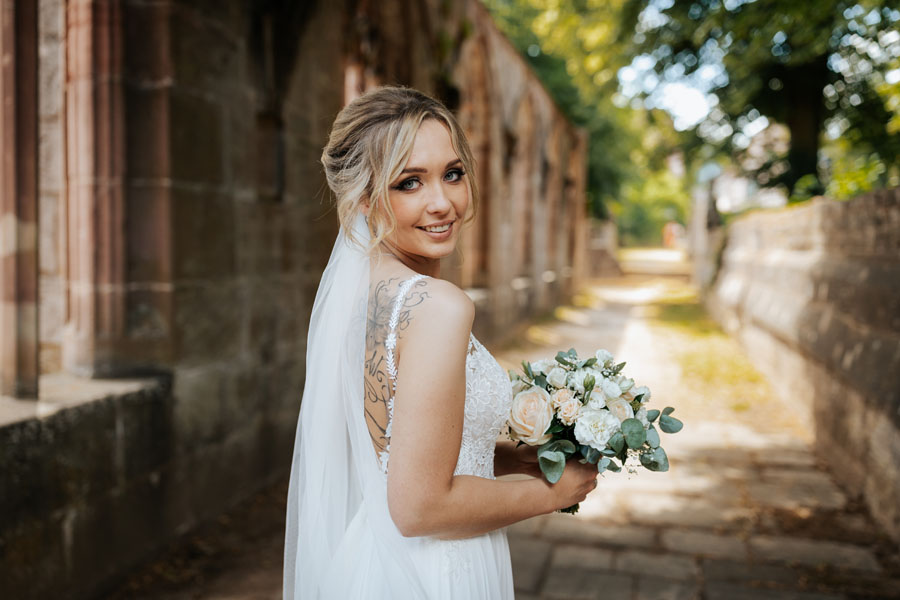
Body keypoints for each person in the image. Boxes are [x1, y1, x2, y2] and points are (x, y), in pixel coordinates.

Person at [282, 86, 600, 599]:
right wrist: (550, 493)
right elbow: (420, 507)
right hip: (433, 572)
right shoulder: (439, 306)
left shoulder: (359, 297)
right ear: (364, 198)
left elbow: (392, 448)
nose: (443, 202)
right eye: (410, 182)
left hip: (371, 562)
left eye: (453, 173)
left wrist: (506, 457)